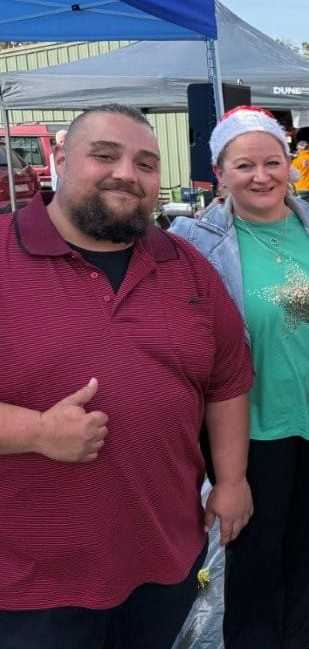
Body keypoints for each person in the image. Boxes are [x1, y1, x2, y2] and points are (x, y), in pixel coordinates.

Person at [0, 104, 253, 649]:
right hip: (29, 581)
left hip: (162, 556)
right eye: (105, 155)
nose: (126, 174)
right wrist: (36, 432)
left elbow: (228, 379)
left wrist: (231, 481)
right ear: (61, 157)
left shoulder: (184, 264)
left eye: (145, 163)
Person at [171, 106, 309, 649]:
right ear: (220, 172)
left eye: (273, 162)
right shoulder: (193, 243)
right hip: (248, 430)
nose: (262, 176)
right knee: (256, 568)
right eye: (245, 165)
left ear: (290, 165)